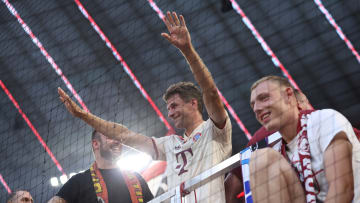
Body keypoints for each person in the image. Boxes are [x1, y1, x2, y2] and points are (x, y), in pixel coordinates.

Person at [57, 11, 232, 203]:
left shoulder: (214, 130)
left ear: (193, 103)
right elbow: (124, 135)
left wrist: (188, 51)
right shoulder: (171, 144)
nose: (170, 113)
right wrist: (83, 115)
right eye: (168, 109)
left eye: (174, 106)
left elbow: (211, 92)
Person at [244, 75, 359, 203]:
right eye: (253, 105)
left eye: (264, 98)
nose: (256, 109)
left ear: (288, 95)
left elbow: (343, 189)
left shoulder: (324, 120)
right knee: (260, 158)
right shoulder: (275, 153)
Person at [225, 89, 313, 203]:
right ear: (298, 104)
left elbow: (229, 188)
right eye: (307, 103)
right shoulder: (317, 118)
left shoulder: (257, 140)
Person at [48, 130, 153, 203]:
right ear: (95, 144)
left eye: (118, 138)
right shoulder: (79, 182)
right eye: (110, 137)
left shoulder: (137, 178)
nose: (117, 141)